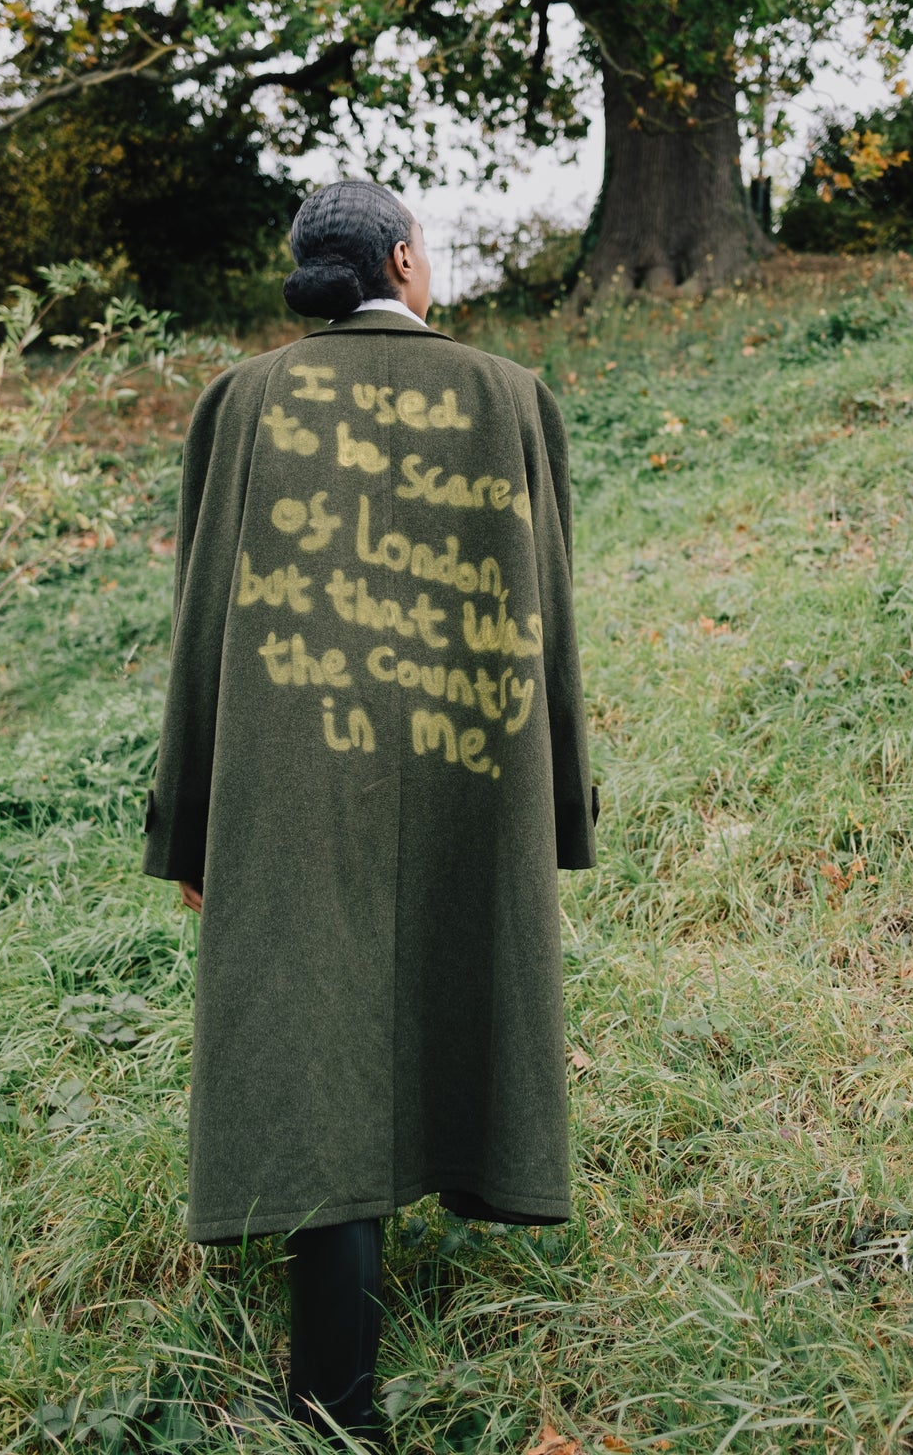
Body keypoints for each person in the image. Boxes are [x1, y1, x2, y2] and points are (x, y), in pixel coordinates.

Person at [141, 179, 598, 1444]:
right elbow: (549, 618)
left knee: (309, 1029)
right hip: (473, 777)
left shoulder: (243, 402)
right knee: (453, 988)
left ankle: (332, 1397)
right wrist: (558, 807)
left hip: (287, 790)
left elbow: (196, 640)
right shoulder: (511, 398)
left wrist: (189, 826)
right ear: (405, 261)